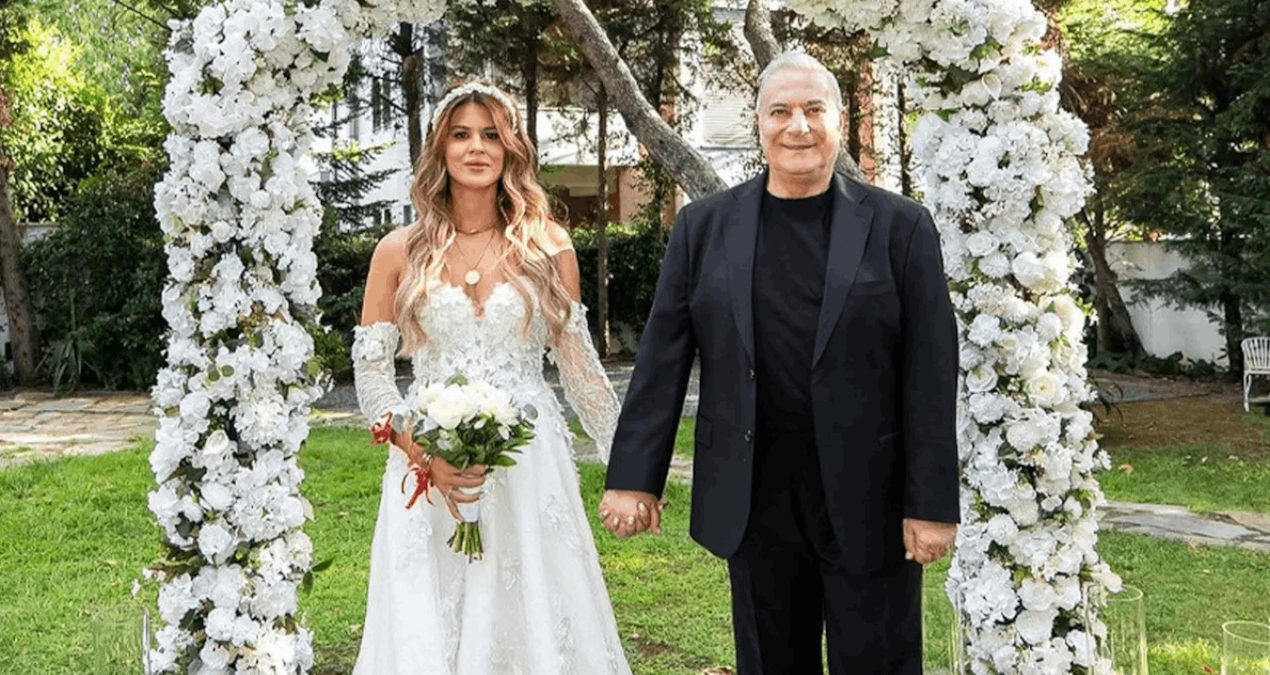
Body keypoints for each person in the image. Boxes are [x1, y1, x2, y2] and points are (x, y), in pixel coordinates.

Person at [599, 52, 961, 674]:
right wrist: (635, 477)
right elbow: (662, 358)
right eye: (781, 111)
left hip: (870, 500)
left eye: (814, 110)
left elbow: (930, 373)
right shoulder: (703, 227)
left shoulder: (901, 227)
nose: (798, 126)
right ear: (759, 123)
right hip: (754, 498)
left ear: (839, 121)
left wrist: (930, 502)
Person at [351, 81, 633, 674]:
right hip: (429, 467)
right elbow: (371, 375)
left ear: (512, 150)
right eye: (461, 135)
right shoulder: (397, 251)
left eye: (491, 135)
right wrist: (422, 452)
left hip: (530, 468)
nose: (476, 148)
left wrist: (632, 471)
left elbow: (580, 371)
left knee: (532, 616)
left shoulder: (548, 245)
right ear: (440, 149)